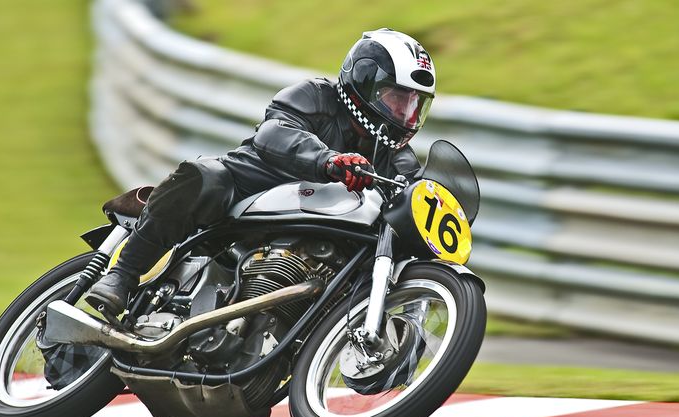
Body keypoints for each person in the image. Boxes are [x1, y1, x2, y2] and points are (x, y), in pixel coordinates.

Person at [86, 28, 437, 323]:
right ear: (364, 81)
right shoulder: (315, 96)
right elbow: (275, 133)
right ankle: (122, 274)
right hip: (247, 187)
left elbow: (415, 189)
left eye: (414, 105)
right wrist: (329, 160)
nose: (404, 114)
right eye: (396, 99)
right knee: (204, 176)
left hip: (313, 226)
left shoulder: (395, 156)